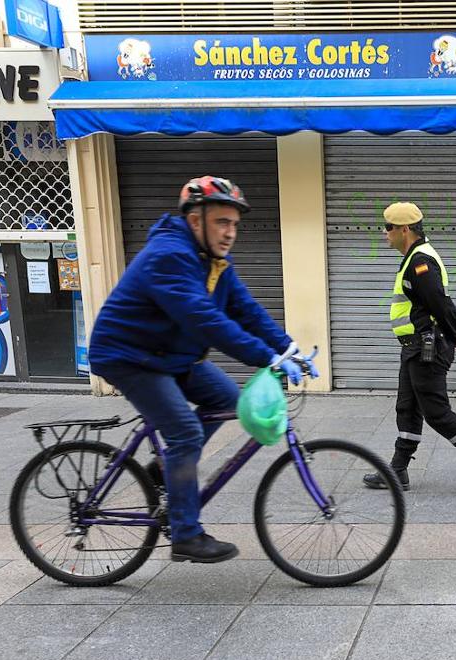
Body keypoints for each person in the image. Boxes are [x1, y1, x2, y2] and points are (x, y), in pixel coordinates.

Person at [89, 175, 307, 564]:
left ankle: (163, 467)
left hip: (170, 356)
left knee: (228, 399)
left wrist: (288, 347)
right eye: (222, 222)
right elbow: (204, 319)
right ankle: (186, 534)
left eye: (235, 224)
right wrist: (265, 357)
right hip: (130, 356)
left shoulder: (215, 262)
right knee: (186, 432)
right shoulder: (169, 256)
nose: (230, 232)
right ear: (195, 221)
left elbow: (245, 310)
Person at [361, 202, 456, 495]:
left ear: (405, 230)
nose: (384, 232)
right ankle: (397, 470)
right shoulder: (415, 258)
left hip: (427, 346)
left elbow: (440, 303)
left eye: (389, 227)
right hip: (414, 347)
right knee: (408, 407)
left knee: (436, 412)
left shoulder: (420, 262)